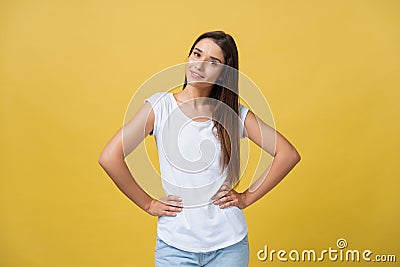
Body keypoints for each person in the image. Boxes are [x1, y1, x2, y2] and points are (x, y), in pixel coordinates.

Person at [98, 30, 301, 267]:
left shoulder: (234, 115)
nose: (200, 65)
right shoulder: (160, 107)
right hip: (174, 246)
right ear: (188, 56)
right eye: (197, 54)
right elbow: (109, 157)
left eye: (213, 63)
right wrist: (148, 204)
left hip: (229, 246)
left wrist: (247, 197)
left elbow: (287, 154)